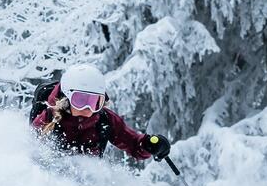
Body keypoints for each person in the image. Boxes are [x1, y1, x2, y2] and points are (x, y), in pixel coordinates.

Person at [31, 63, 171, 161]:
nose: (88, 108)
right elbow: (30, 153)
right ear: (66, 99)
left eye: (94, 102)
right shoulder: (48, 120)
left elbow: (132, 142)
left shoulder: (103, 120)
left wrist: (148, 145)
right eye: (80, 100)